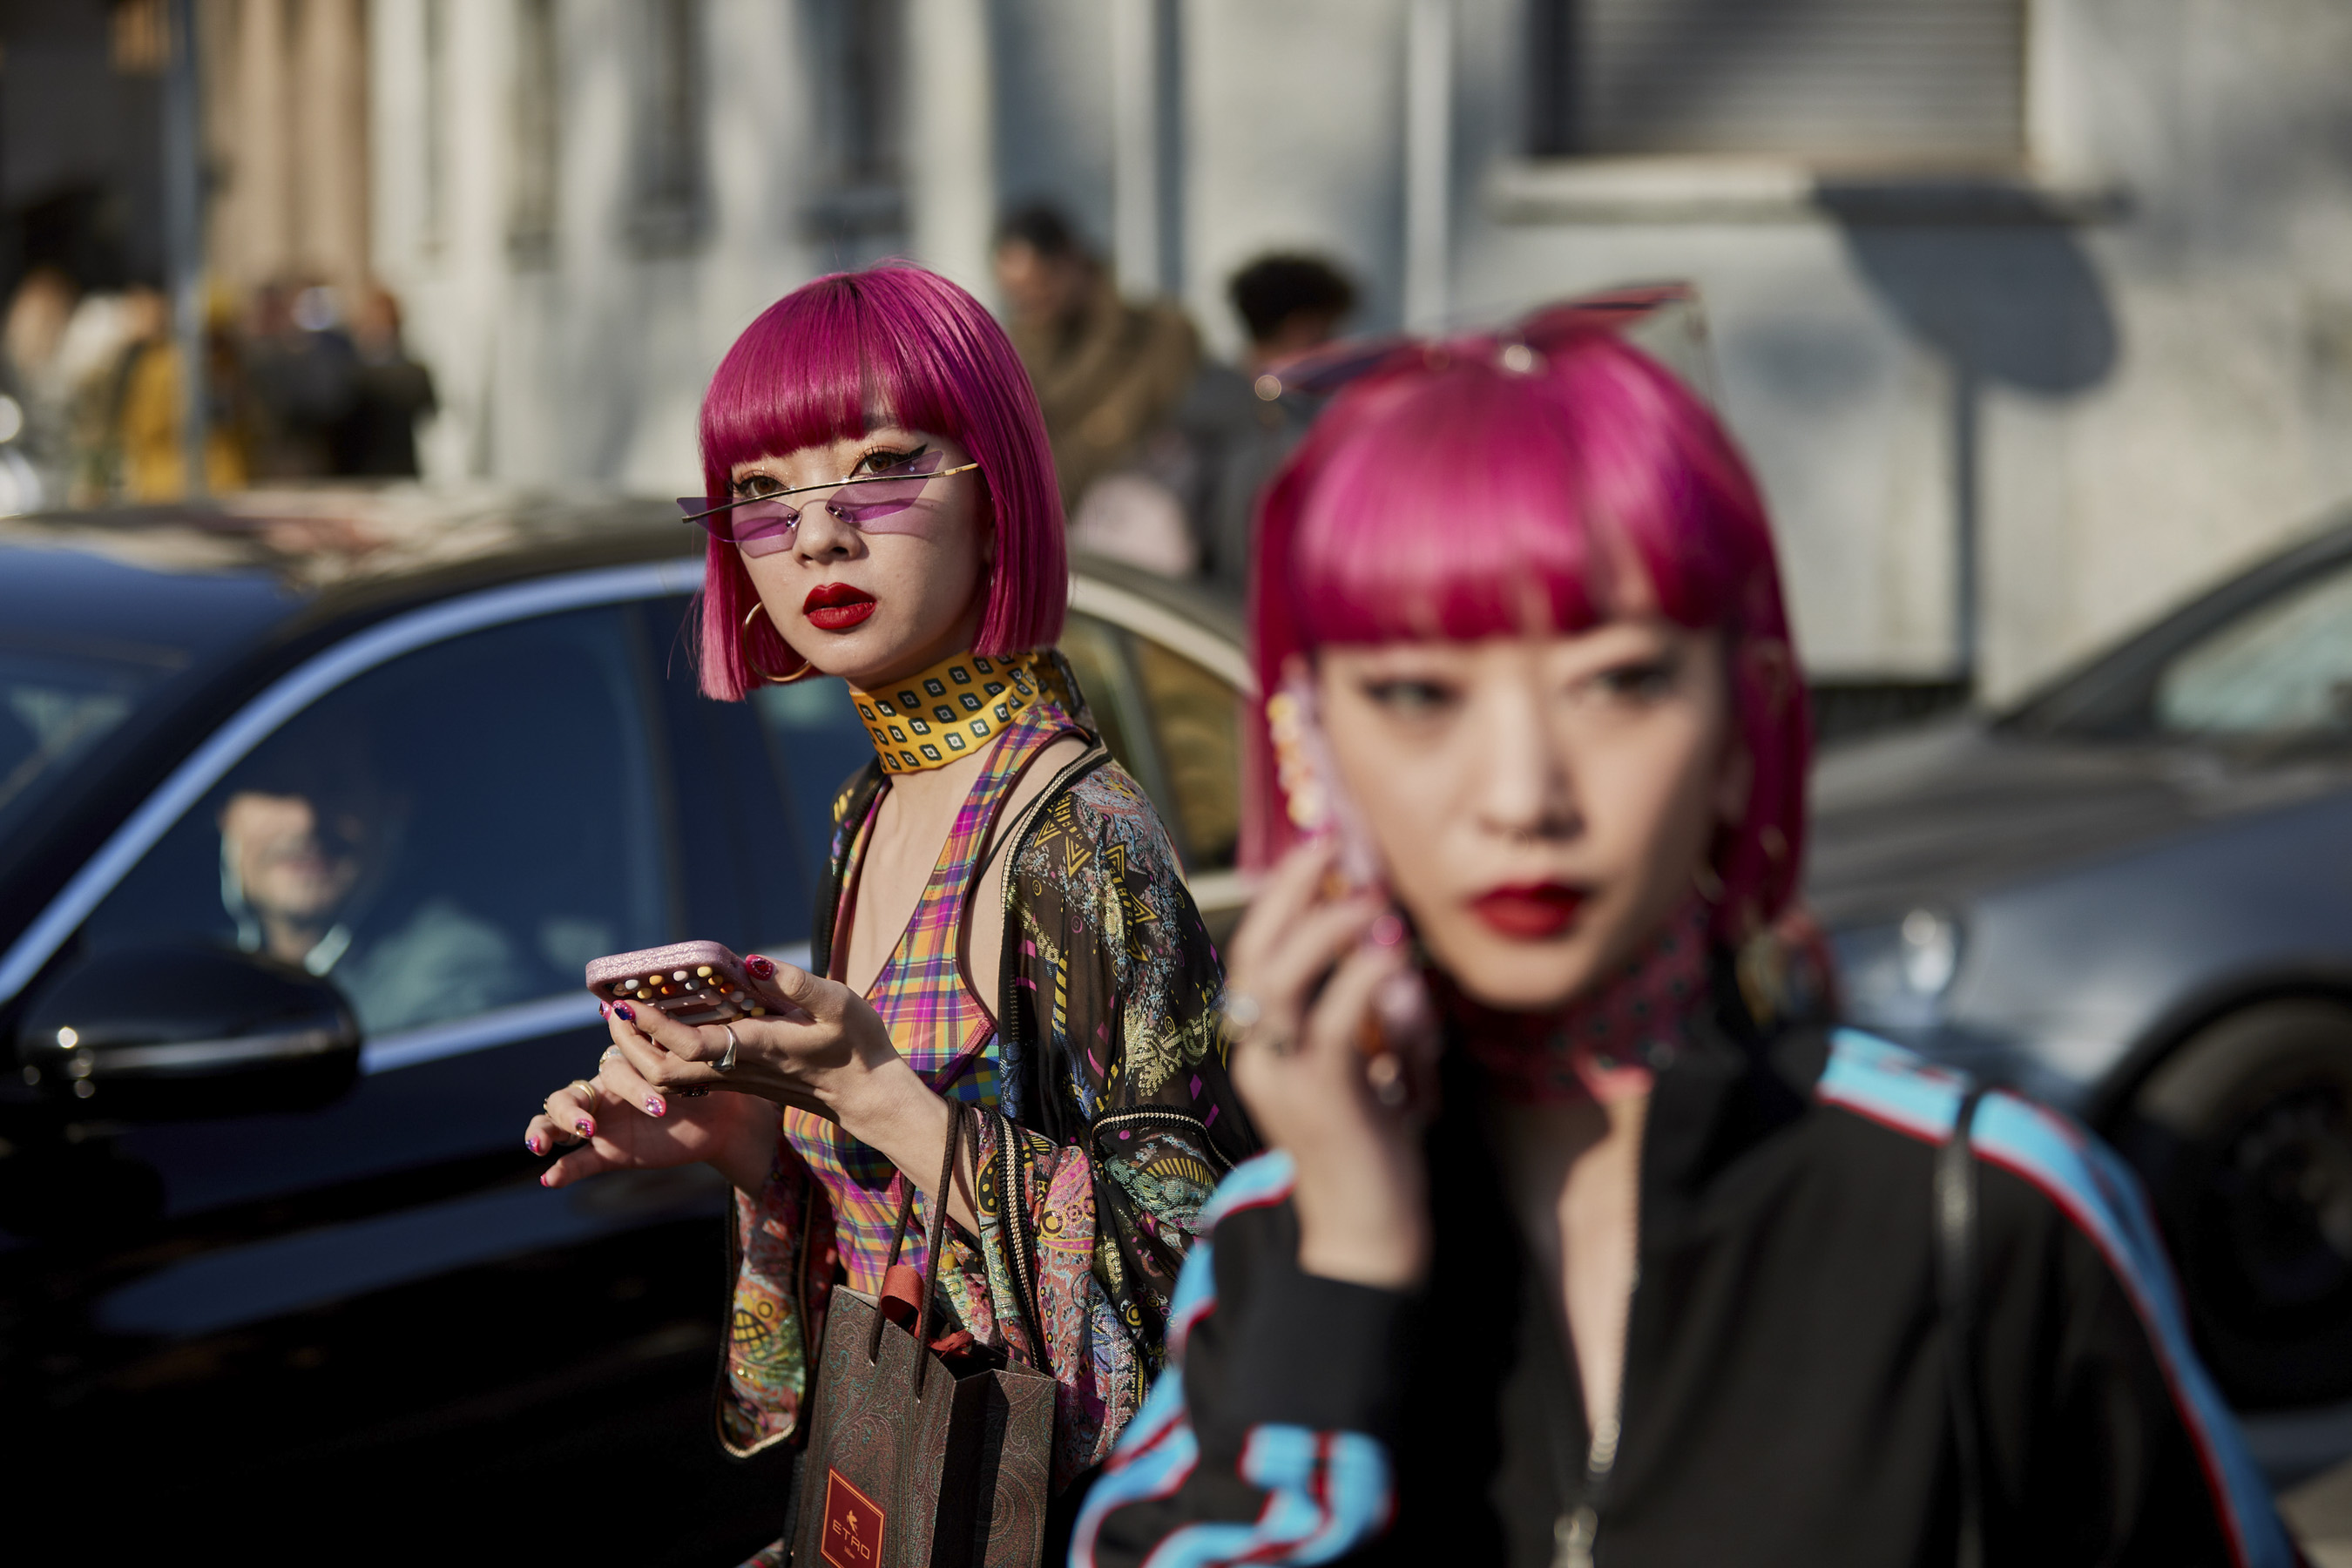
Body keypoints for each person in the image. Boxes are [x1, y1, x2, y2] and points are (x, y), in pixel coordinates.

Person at [1073, 318, 2298, 1565]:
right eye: (1419, 696)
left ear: (1742, 724)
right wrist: (1346, 1276)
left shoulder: (1983, 1210)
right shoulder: (1276, 1240)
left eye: (1616, 683)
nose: (1522, 795)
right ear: (1311, 750)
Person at [522, 264, 1254, 1563]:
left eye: (879, 468)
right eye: (762, 495)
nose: (816, 538)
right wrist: (752, 1145)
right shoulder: (870, 807)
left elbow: (1188, 1302)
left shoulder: (1079, 838)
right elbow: (883, 1254)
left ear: (999, 492)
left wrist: (874, 1094)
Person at [992, 203, 1199, 519]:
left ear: (1072, 262)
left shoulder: (1161, 333)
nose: (1031, 303)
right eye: (1017, 295)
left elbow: (1129, 433)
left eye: (1041, 285)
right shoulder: (1007, 358)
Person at [1172, 253, 1356, 592]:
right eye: (1332, 333)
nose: (1340, 348)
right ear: (1303, 329)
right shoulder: (1274, 434)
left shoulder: (1198, 399)